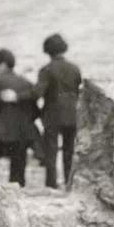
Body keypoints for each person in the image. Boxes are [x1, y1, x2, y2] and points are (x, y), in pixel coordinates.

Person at [0, 49, 40, 187]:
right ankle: (17, 195)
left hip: (1, 135)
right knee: (18, 172)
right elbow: (35, 112)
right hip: (21, 134)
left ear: (2, 64)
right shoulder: (26, 83)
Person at [36, 33, 82, 188]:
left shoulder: (46, 70)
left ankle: (52, 185)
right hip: (73, 114)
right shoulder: (75, 69)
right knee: (69, 151)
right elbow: (79, 90)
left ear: (47, 51)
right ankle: (69, 184)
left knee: (51, 152)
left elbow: (38, 93)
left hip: (53, 114)